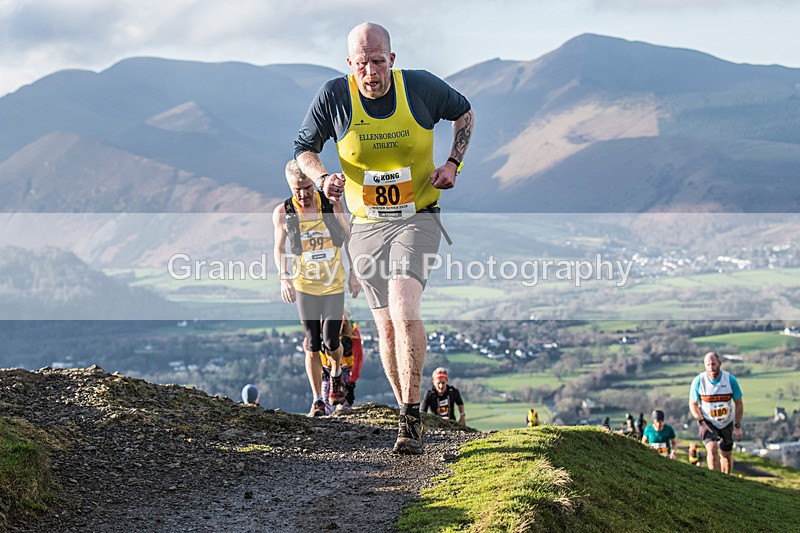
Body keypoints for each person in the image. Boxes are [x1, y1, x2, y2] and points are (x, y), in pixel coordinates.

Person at [294, 22, 474, 454]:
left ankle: (412, 416)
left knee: (403, 304)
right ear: (349, 64)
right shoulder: (334, 96)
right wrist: (323, 179)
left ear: (392, 60)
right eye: (362, 64)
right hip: (365, 225)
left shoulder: (421, 89)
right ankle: (404, 410)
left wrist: (453, 164)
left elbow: (464, 113)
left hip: (417, 215)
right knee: (386, 329)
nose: (371, 72)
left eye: (378, 62)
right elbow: (303, 148)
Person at [272, 160, 360, 417]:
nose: (303, 193)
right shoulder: (283, 212)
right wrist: (284, 278)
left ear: (314, 183)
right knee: (312, 343)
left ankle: (335, 373)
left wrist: (354, 273)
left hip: (333, 283)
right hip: (305, 285)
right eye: (297, 188)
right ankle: (317, 400)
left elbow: (348, 238)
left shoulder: (328, 203)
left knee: (331, 341)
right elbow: (278, 248)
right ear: (290, 186)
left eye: (307, 187)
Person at [689, 351, 744, 473]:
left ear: (719, 363)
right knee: (712, 449)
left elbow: (739, 403)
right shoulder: (699, 381)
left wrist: (738, 426)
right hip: (708, 422)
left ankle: (727, 480)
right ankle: (716, 480)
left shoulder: (730, 380)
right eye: (708, 365)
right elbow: (693, 404)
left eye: (713, 364)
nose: (711, 368)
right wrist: (701, 422)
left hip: (727, 421)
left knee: (726, 454)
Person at [320, 313, 364, 414]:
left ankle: (342, 412)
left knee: (343, 402)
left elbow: (358, 358)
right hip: (327, 368)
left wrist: (352, 382)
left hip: (346, 368)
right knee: (326, 397)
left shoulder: (353, 333)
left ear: (343, 323)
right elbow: (312, 352)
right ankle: (325, 417)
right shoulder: (320, 331)